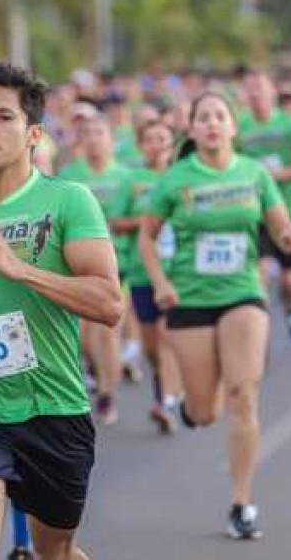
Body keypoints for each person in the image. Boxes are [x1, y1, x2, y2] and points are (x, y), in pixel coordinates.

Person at [0, 59, 121, 560]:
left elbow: (109, 303)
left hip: (53, 405)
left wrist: (23, 270)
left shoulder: (68, 201)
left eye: (3, 118)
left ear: (34, 134)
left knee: (53, 551)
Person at [138, 92, 291, 540]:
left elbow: (277, 223)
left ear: (233, 127)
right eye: (203, 118)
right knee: (205, 411)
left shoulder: (254, 174)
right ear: (192, 129)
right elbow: (146, 237)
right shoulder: (175, 179)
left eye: (220, 116)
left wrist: (289, 234)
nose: (212, 124)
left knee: (243, 393)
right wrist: (160, 282)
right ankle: (195, 407)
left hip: (242, 294)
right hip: (190, 300)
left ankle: (241, 503)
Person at [58, 116, 130, 425]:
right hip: (79, 268)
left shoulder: (126, 177)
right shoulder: (68, 177)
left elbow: (139, 218)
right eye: (86, 133)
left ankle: (107, 394)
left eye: (100, 132)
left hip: (118, 266)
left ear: (111, 139)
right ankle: (97, 371)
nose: (93, 138)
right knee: (84, 342)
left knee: (106, 334)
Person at [236, 72, 291, 347]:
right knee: (259, 276)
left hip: (288, 209)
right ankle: (259, 336)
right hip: (254, 213)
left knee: (290, 280)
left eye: (261, 88)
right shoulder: (240, 126)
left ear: (272, 92)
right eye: (251, 90)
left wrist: (280, 175)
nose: (256, 94)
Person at [112, 119, 182, 433]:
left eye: (162, 139)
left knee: (168, 338)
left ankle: (166, 401)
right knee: (152, 346)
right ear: (141, 146)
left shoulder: (181, 177)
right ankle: (165, 389)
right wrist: (147, 221)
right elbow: (114, 222)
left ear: (171, 144)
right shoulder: (132, 180)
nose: (156, 145)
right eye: (150, 140)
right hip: (142, 273)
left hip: (178, 271)